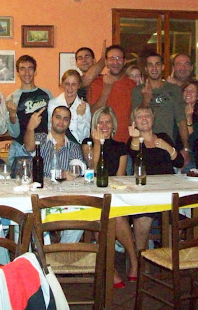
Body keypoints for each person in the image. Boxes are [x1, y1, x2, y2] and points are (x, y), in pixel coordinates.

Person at [82, 107, 137, 286]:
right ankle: (109, 267)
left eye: (108, 122)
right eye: (100, 122)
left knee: (116, 215)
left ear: (113, 125)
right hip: (92, 194)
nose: (104, 125)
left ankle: (134, 260)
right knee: (103, 215)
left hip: (114, 194)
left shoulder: (120, 147)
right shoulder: (87, 143)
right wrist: (98, 144)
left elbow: (119, 177)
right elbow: (92, 169)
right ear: (95, 125)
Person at [127, 106, 183, 253]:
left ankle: (169, 259)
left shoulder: (163, 137)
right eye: (139, 116)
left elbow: (180, 162)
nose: (144, 118)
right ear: (134, 122)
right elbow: (133, 152)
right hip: (146, 193)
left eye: (147, 115)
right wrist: (135, 138)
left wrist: (168, 148)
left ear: (153, 119)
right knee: (142, 217)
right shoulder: (134, 141)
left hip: (168, 192)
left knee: (177, 218)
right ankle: (140, 258)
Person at [131, 52, 190, 165]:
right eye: (150, 65)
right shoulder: (138, 90)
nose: (154, 68)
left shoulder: (174, 89)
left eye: (157, 64)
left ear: (163, 67)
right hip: (143, 145)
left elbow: (181, 121)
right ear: (146, 69)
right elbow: (134, 120)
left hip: (167, 144)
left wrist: (186, 148)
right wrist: (146, 99)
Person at [6, 55, 52, 168]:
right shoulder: (12, 98)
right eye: (22, 69)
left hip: (43, 148)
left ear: (35, 71)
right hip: (20, 150)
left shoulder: (47, 94)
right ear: (18, 73)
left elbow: (52, 123)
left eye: (30, 68)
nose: (27, 72)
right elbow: (14, 134)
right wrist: (12, 115)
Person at [89, 45, 135, 143]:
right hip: (101, 142)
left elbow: (135, 115)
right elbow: (93, 114)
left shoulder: (131, 85)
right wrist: (106, 89)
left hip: (126, 142)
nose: (115, 62)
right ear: (106, 62)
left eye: (119, 58)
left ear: (124, 61)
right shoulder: (95, 83)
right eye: (111, 58)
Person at [23, 106, 83, 178]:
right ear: (51, 119)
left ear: (69, 123)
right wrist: (30, 128)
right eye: (58, 117)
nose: (61, 122)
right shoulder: (39, 138)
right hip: (39, 184)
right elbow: (29, 148)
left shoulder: (73, 147)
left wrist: (71, 173)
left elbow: (77, 166)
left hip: (63, 184)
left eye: (65, 119)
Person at [47, 69, 91, 144]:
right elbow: (50, 130)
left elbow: (84, 137)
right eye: (67, 84)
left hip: (77, 146)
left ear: (79, 85)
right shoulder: (52, 103)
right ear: (62, 84)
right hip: (56, 144)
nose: (70, 88)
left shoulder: (85, 106)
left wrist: (80, 116)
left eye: (73, 84)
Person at [179, 80, 198, 172]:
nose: (188, 93)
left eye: (192, 91)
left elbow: (194, 141)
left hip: (192, 158)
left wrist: (189, 118)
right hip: (175, 155)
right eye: (185, 90)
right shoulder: (176, 111)